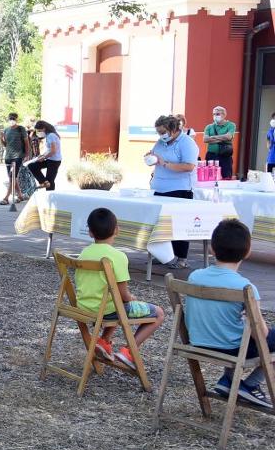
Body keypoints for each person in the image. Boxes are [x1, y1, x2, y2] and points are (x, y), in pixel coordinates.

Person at [186, 219, 273, 408]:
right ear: (248, 252)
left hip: (196, 342)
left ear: (212, 249)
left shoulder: (194, 277)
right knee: (260, 335)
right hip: (230, 348)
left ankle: (228, 381)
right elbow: (261, 334)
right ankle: (249, 385)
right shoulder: (246, 287)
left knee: (233, 327)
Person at [76, 208, 166, 370]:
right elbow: (123, 295)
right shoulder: (118, 256)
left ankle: (103, 341)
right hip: (106, 310)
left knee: (114, 302)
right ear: (117, 230)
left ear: (89, 232)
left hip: (84, 306)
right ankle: (129, 351)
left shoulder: (84, 253)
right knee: (158, 313)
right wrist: (131, 297)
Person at [145, 114, 200, 270]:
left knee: (179, 224)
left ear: (174, 130)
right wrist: (151, 158)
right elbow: (155, 154)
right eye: (158, 132)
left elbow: (189, 166)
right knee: (161, 225)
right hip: (159, 188)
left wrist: (165, 163)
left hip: (179, 189)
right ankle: (163, 255)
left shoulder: (187, 143)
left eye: (163, 132)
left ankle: (181, 258)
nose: (161, 135)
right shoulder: (161, 142)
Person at [0, 112, 31, 205]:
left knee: (12, 177)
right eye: (10, 118)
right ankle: (20, 196)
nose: (12, 119)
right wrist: (1, 138)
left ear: (17, 119)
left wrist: (27, 154)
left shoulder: (21, 129)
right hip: (8, 157)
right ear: (8, 119)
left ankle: (6, 198)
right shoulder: (6, 130)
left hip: (17, 156)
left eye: (13, 118)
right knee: (12, 177)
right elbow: (6, 145)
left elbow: (26, 142)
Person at [203, 105, 237, 180]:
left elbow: (228, 136)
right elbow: (205, 139)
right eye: (214, 114)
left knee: (226, 177)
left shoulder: (231, 125)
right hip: (211, 156)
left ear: (224, 115)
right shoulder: (209, 127)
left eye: (217, 114)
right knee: (209, 177)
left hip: (225, 156)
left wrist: (212, 138)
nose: (215, 116)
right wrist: (222, 138)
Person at [27, 120, 62, 191]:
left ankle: (50, 195)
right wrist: (42, 155)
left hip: (54, 161)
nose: (39, 132)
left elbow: (53, 151)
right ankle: (44, 182)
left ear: (44, 128)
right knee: (32, 166)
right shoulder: (49, 135)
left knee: (50, 181)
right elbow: (49, 149)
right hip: (50, 159)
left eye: (39, 130)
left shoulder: (51, 135)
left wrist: (44, 157)